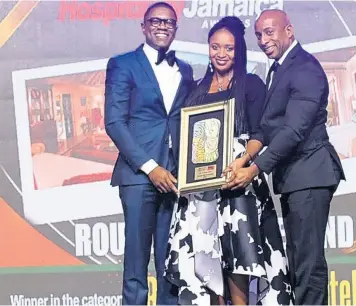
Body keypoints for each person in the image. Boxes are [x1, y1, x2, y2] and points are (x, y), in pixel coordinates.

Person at [164, 16, 292, 306]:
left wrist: (244, 160)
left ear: (239, 52)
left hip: (239, 186)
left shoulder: (253, 86)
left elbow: (263, 132)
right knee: (205, 262)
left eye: (229, 48)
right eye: (215, 47)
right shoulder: (195, 89)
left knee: (239, 262)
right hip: (201, 193)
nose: (221, 54)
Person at [223, 9, 346, 305]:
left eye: (270, 32)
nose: (264, 40)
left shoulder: (304, 68)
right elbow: (268, 126)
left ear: (288, 31)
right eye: (259, 34)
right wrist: (245, 157)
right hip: (295, 179)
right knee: (299, 260)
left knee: (308, 263)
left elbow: (293, 130)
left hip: (311, 174)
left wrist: (254, 171)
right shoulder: (280, 68)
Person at [104, 2, 193, 305]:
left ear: (175, 29)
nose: (162, 26)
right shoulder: (123, 64)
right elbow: (114, 123)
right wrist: (150, 167)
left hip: (175, 177)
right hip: (139, 176)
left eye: (169, 22)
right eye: (155, 21)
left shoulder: (185, 69)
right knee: (136, 263)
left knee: (171, 263)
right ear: (143, 26)